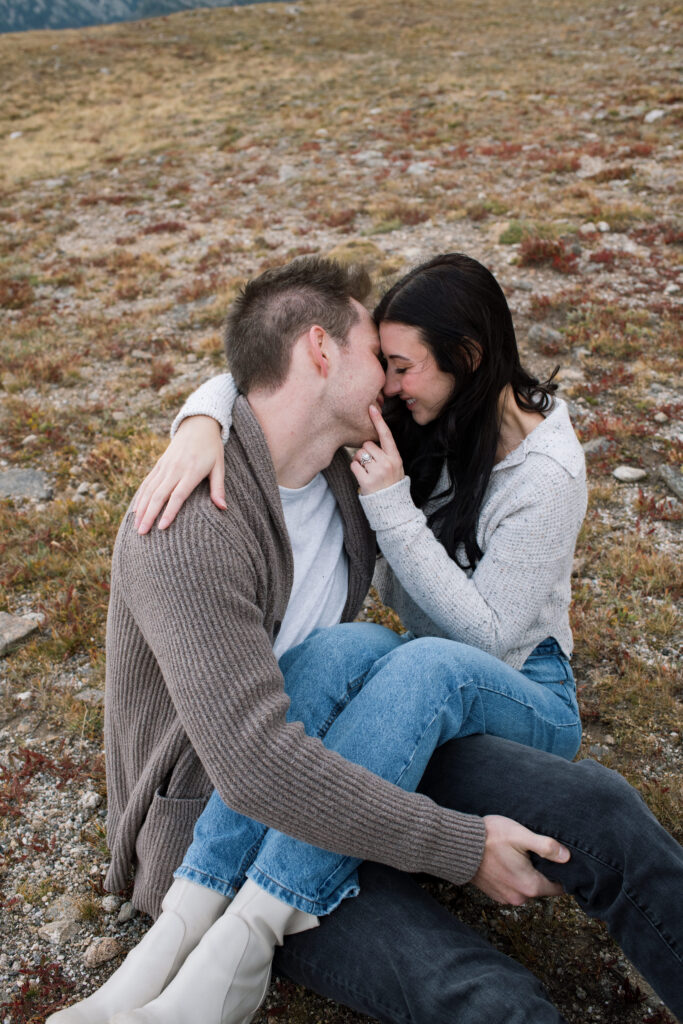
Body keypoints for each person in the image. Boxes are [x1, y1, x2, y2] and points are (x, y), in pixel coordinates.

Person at [48, 256, 683, 1024]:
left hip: (351, 739)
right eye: (374, 358)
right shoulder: (188, 527)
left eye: (397, 363)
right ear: (322, 352)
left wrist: (208, 413)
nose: (387, 380)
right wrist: (456, 846)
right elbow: (258, 768)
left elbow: (263, 365)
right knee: (491, 1002)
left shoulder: (352, 465)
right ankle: (210, 944)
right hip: (228, 811)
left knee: (603, 809)